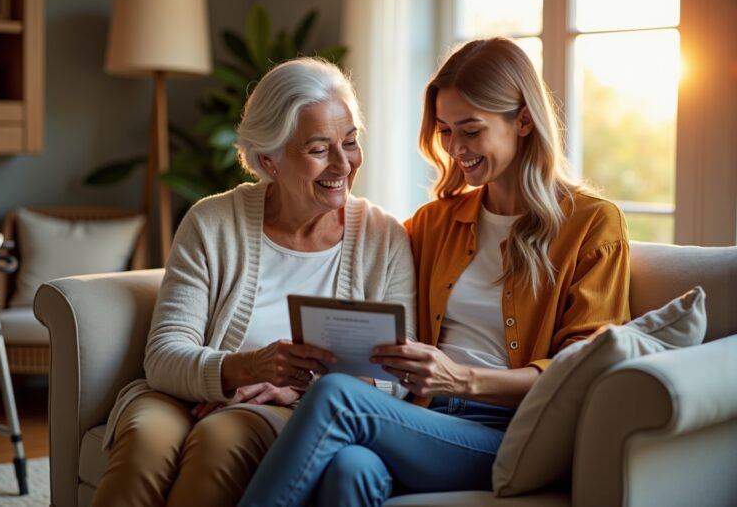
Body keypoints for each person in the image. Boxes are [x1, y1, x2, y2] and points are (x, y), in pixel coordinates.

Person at [238, 37, 631, 507]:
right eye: (445, 131)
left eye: (470, 130)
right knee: (350, 469)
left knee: (337, 398)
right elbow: (373, 329)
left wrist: (461, 379)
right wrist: (288, 382)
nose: (455, 149)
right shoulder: (434, 223)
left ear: (523, 120)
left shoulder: (592, 223)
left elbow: (586, 370)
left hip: (517, 434)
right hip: (422, 419)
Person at [91, 57, 416, 507]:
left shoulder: (384, 238)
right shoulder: (212, 221)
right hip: (181, 394)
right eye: (320, 148)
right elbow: (163, 357)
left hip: (289, 407)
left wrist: (294, 388)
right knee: (144, 442)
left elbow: (397, 375)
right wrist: (247, 368)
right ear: (270, 158)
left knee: (220, 441)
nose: (343, 163)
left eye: (350, 142)